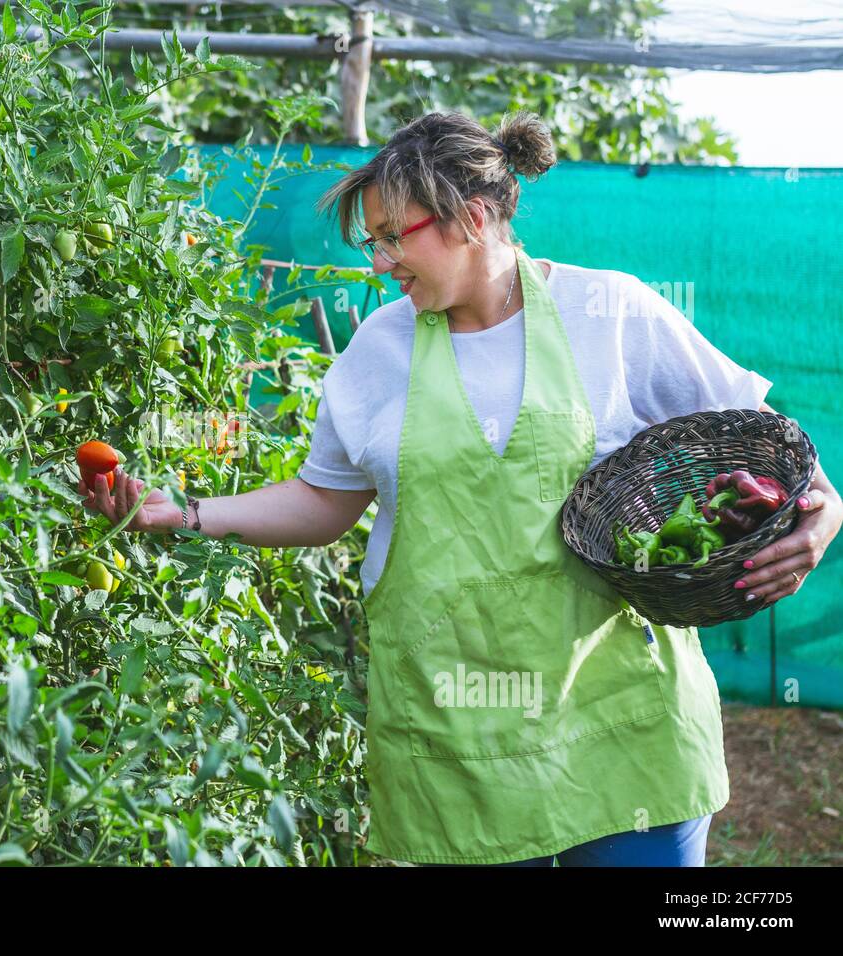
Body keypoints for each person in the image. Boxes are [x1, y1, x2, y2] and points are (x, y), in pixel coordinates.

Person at [77, 110, 842, 866]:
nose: (379, 263)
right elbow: (324, 502)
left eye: (390, 237)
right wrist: (183, 514)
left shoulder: (611, 314)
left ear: (472, 217)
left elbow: (774, 453)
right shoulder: (379, 349)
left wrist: (825, 511)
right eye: (370, 241)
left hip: (623, 731)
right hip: (459, 748)